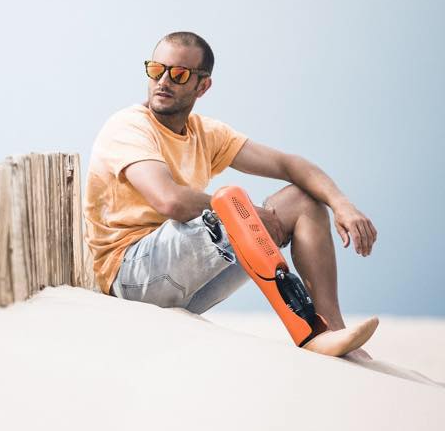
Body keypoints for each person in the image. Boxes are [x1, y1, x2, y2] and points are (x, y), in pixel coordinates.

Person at [84, 31, 378, 358]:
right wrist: (243, 213)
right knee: (229, 203)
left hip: (184, 282)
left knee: (303, 201)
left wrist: (342, 205)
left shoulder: (207, 134)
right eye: (156, 69)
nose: (163, 81)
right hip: (131, 278)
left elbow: (289, 164)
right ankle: (305, 331)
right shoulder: (128, 126)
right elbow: (170, 200)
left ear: (202, 86)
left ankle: (332, 332)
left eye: (178, 74)